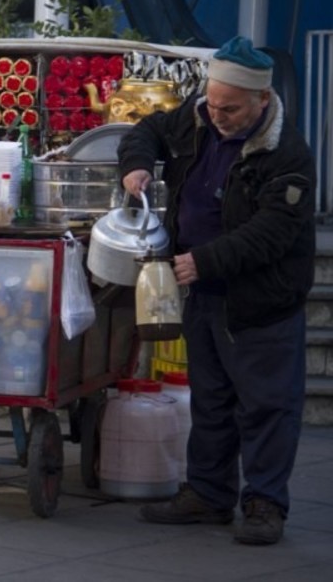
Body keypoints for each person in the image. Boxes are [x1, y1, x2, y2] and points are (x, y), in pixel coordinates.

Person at [118, 36, 315, 545]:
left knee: (268, 405)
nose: (217, 114)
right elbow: (147, 130)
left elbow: (273, 232)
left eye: (230, 108)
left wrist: (204, 261)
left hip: (260, 301)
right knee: (209, 399)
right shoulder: (198, 114)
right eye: (213, 102)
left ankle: (266, 503)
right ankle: (208, 494)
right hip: (203, 294)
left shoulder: (288, 155)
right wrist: (136, 164)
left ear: (262, 101)